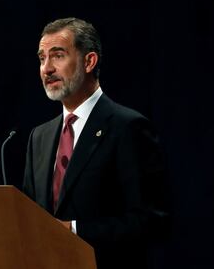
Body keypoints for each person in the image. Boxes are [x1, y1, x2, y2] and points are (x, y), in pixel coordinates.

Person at [23, 17, 168, 269]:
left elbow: (151, 220)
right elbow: (27, 217)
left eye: (57, 56)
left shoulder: (127, 127)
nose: (46, 69)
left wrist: (75, 230)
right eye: (41, 58)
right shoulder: (40, 136)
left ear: (89, 61)